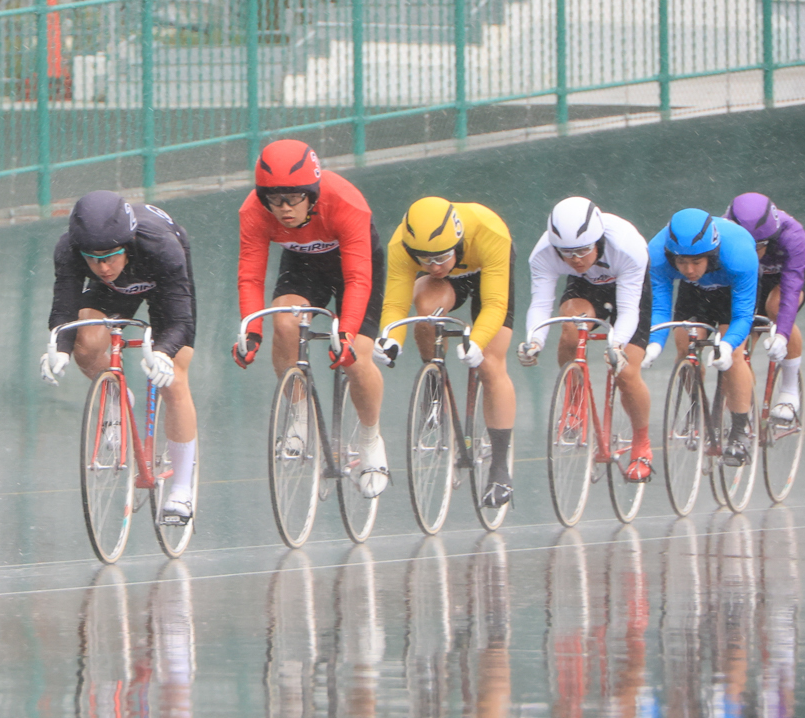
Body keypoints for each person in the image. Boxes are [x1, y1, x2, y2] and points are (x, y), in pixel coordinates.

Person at [233, 140, 387, 497]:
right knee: (284, 322)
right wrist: (251, 331)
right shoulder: (254, 211)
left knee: (357, 358)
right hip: (303, 266)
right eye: (274, 199)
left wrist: (346, 333)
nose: (283, 209)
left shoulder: (346, 203)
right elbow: (250, 277)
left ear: (313, 193)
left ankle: (371, 440)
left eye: (293, 198)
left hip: (355, 267)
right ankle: (299, 420)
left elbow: (358, 279)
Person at [42, 190, 200, 520]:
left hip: (160, 284)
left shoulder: (160, 246)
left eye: (110, 256)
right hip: (115, 292)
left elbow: (181, 321)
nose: (102, 267)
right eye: (93, 258)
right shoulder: (70, 250)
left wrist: (164, 353)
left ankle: (182, 490)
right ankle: (116, 395)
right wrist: (59, 349)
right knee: (86, 342)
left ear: (126, 245)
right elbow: (65, 308)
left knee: (173, 378)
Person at [378, 195, 518, 509]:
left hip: (487, 274)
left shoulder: (489, 232)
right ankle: (434, 380)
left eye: (440, 257)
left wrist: (477, 341)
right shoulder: (401, 244)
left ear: (457, 241)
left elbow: (496, 304)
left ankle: (499, 467)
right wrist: (391, 338)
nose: (433, 266)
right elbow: (396, 304)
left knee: (491, 363)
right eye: (424, 260)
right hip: (449, 285)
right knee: (425, 309)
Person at [516, 196, 654, 482]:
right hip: (584, 287)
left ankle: (642, 445)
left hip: (626, 290)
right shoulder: (543, 254)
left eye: (582, 251)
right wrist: (534, 341)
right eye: (567, 253)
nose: (576, 259)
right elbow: (541, 305)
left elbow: (628, 311)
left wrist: (616, 345)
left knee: (626, 373)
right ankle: (575, 400)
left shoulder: (627, 248)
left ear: (599, 240)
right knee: (570, 324)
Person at [646, 207, 761, 466]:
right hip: (695, 291)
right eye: (681, 262)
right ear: (671, 255)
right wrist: (653, 344)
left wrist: (728, 345)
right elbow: (661, 310)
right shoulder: (657, 255)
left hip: (730, 290)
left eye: (696, 262)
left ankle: (740, 430)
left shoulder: (740, 254)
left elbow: (743, 316)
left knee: (733, 354)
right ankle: (696, 401)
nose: (688, 269)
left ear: (712, 253)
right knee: (684, 344)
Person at [725, 191, 805, 424]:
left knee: (776, 307)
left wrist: (782, 335)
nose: (751, 251)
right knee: (740, 337)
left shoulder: (793, 236)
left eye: (757, 246)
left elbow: (792, 287)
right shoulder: (724, 230)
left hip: (790, 275)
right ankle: (745, 405)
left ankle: (789, 391)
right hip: (751, 277)